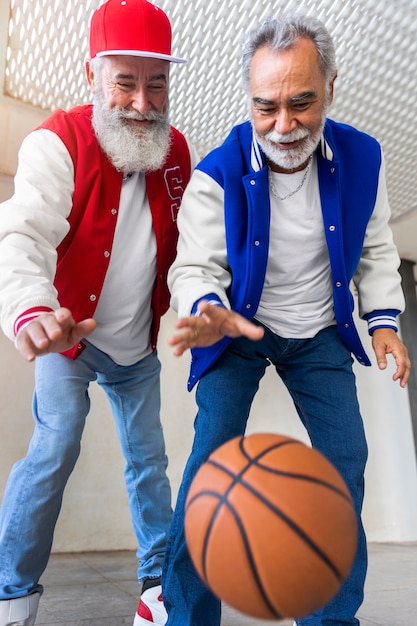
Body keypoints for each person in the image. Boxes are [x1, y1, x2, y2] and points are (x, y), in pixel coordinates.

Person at [162, 13, 411, 626]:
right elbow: (193, 266)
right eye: (265, 107)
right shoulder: (216, 175)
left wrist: (383, 320)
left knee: (344, 459)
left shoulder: (363, 159)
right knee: (211, 463)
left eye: (302, 102)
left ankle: (331, 617)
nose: (283, 124)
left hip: (320, 330)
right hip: (238, 330)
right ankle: (185, 615)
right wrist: (205, 307)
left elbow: (376, 247)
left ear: (331, 86)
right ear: (249, 99)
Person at [0, 0, 198, 625]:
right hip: (70, 340)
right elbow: (24, 232)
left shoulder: (179, 154)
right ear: (94, 76)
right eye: (126, 82)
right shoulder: (57, 141)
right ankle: (11, 592)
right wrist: (32, 309)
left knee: (149, 462)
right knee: (55, 445)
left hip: (135, 346)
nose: (143, 103)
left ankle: (156, 588)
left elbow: (192, 248)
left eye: (157, 83)